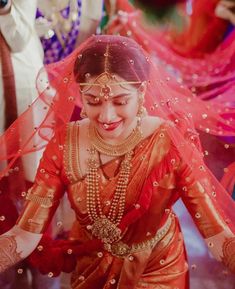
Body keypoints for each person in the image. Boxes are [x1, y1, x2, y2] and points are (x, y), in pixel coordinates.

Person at [0, 35, 234, 289]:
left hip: (159, 267)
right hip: (91, 266)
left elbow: (216, 236)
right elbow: (25, 235)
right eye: (93, 102)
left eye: (120, 101)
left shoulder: (169, 143)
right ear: (80, 95)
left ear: (142, 92)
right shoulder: (65, 144)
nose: (107, 115)